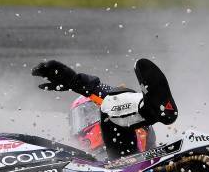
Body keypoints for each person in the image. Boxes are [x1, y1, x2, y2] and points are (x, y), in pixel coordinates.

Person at [32, 59, 178, 159]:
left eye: (90, 115)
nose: (87, 124)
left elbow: (112, 99)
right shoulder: (72, 160)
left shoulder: (114, 121)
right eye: (83, 117)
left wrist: (77, 82)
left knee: (111, 106)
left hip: (134, 164)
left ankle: (151, 108)